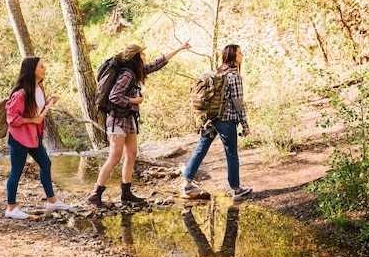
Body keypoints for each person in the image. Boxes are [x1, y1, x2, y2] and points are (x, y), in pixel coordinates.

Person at [87, 41, 191, 208]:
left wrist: (178, 48)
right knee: (114, 157)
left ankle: (126, 193)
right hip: (117, 120)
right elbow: (114, 96)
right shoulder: (128, 75)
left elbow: (157, 63)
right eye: (142, 54)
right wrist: (135, 100)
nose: (145, 56)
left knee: (132, 154)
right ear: (136, 57)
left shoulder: (137, 72)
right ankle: (95, 194)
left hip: (128, 118)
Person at [181, 44, 252, 200]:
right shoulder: (234, 75)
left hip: (210, 119)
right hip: (227, 121)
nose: (242, 55)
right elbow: (238, 103)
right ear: (233, 56)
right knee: (231, 153)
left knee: (201, 148)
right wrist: (245, 125)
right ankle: (236, 189)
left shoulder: (215, 73)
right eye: (240, 52)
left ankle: (186, 184)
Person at [4, 56, 71, 219]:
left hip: (33, 137)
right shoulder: (20, 95)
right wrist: (32, 120)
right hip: (19, 138)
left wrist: (48, 102)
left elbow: (36, 110)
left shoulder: (39, 88)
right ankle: (11, 209)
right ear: (32, 70)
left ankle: (52, 200)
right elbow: (11, 118)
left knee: (45, 163)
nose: (44, 68)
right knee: (16, 171)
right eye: (41, 66)